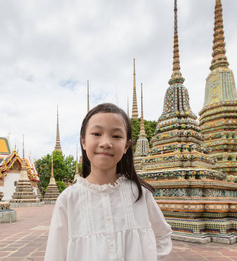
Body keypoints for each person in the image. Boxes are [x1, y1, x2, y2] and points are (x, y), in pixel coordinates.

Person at [45, 103, 172, 261]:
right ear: (83, 142)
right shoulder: (68, 199)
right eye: (97, 133)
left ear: (126, 146)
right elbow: (55, 253)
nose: (105, 143)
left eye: (116, 136)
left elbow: (162, 235)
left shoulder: (140, 194)